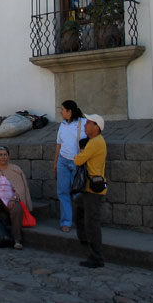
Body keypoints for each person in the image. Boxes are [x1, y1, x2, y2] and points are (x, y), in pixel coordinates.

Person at [74, 113, 108, 268]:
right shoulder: (95, 141)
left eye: (88, 123)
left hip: (92, 189)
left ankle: (96, 256)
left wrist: (81, 153)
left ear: (96, 127)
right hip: (90, 187)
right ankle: (84, 239)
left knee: (92, 223)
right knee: (79, 207)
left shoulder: (95, 142)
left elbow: (78, 160)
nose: (86, 126)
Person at [54, 100, 87, 232]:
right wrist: (55, 162)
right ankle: (66, 221)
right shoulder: (62, 125)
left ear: (69, 111)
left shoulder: (83, 123)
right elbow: (59, 144)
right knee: (63, 192)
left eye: (62, 109)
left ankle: (82, 221)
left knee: (78, 193)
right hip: (63, 160)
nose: (61, 112)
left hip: (76, 161)